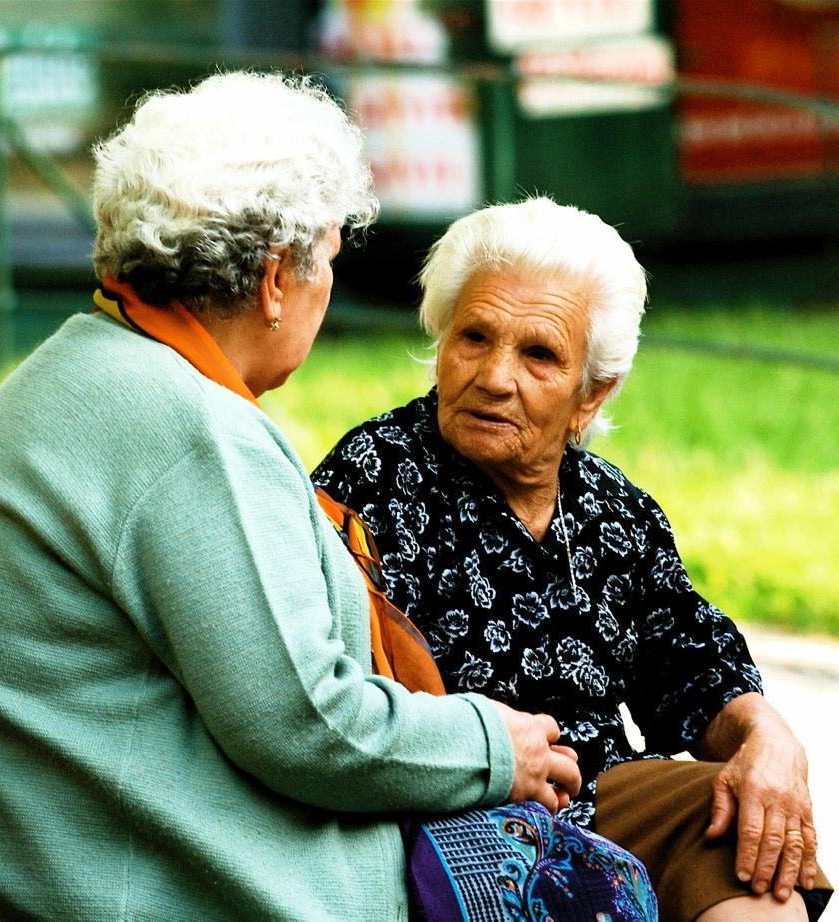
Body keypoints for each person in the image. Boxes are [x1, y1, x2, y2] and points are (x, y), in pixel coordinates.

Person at [0, 74, 594, 920]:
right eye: (329, 260)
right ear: (273, 280)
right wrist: (494, 746)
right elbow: (307, 726)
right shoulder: (189, 431)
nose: (326, 292)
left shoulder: (93, 372)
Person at [314, 197, 833, 922]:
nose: (495, 376)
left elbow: (692, 661)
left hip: (598, 803)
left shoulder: (611, 508)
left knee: (744, 819)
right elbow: (332, 698)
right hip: (451, 811)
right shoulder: (371, 477)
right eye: (474, 338)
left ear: (592, 394)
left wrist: (769, 739)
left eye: (538, 355)